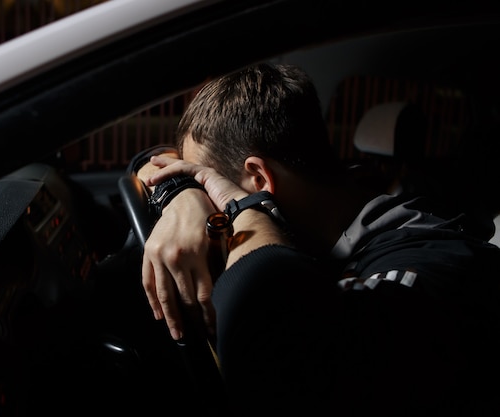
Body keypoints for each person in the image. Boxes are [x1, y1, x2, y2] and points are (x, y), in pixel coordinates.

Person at [132, 63, 500, 414]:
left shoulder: (432, 269)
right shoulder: (337, 220)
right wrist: (184, 195)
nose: (212, 209)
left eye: (211, 189)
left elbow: (279, 360)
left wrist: (245, 210)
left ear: (258, 181)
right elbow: (150, 160)